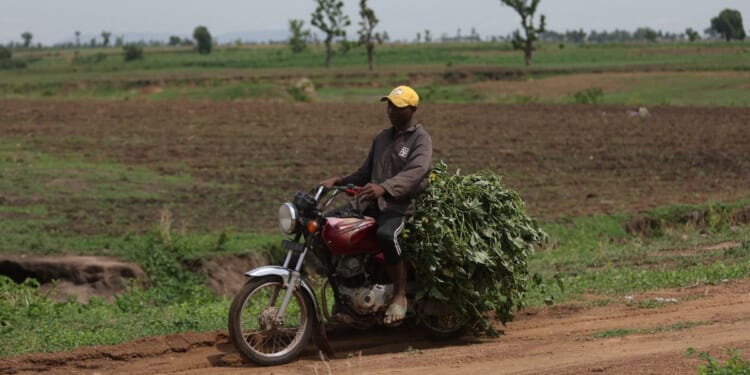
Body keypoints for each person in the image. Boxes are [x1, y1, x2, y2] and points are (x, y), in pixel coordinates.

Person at [321, 85, 433, 327]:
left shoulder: (420, 139)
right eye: (389, 105)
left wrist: (385, 187)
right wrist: (339, 180)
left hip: (401, 206)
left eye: (398, 107)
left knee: (386, 235)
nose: (391, 110)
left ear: (412, 109)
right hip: (369, 204)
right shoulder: (382, 138)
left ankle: (400, 295)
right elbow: (364, 172)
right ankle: (345, 296)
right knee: (324, 227)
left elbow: (416, 172)